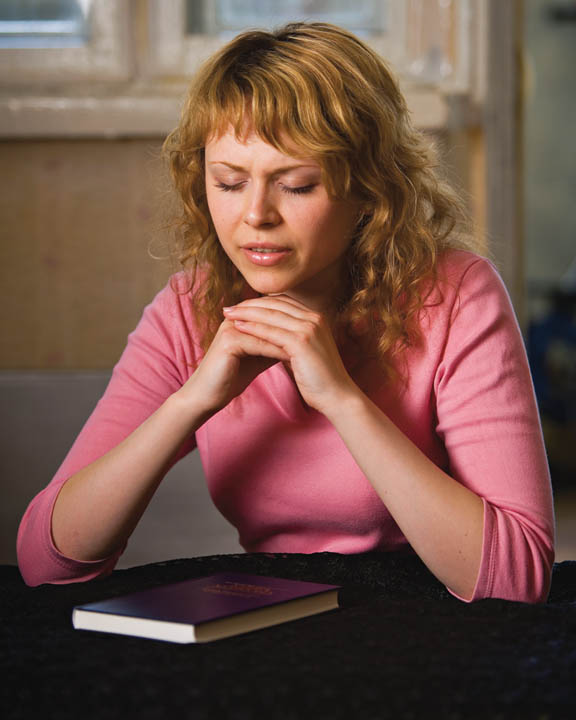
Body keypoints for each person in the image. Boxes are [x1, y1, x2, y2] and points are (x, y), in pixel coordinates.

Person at [17, 22, 554, 602]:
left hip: (432, 622)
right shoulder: (185, 310)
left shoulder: (456, 295)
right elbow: (46, 563)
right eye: (228, 182)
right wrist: (192, 401)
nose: (256, 215)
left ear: (370, 193)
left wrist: (341, 399)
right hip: (276, 620)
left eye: (296, 185)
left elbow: (516, 580)